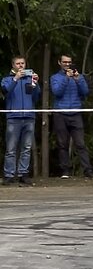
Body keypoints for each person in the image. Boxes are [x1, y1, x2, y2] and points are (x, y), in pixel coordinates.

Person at [50, 54, 93, 179]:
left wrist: (78, 80)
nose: (67, 64)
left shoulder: (78, 76)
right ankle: (65, 171)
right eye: (65, 62)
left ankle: (88, 170)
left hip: (76, 112)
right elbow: (57, 92)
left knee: (81, 144)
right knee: (62, 144)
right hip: (61, 113)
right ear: (59, 63)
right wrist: (66, 79)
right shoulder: (55, 77)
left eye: (69, 62)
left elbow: (85, 92)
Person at [2, 57, 40, 186]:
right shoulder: (7, 79)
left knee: (26, 147)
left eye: (22, 63)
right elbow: (5, 92)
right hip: (13, 117)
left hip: (29, 117)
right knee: (11, 148)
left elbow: (35, 97)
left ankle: (23, 173)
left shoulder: (30, 79)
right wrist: (15, 79)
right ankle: (9, 174)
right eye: (18, 64)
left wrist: (36, 84)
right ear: (13, 65)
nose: (20, 66)